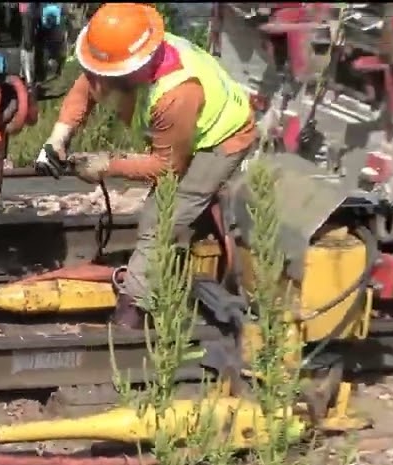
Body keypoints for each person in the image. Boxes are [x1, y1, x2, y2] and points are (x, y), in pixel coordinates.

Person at [36, 3, 257, 329]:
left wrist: (107, 165)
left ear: (133, 68)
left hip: (220, 141)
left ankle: (133, 311)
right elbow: (88, 85)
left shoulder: (176, 94)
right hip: (181, 132)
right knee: (168, 216)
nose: (101, 78)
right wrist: (58, 137)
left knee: (159, 219)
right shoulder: (131, 53)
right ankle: (189, 257)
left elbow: (167, 167)